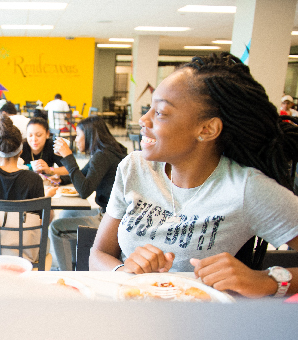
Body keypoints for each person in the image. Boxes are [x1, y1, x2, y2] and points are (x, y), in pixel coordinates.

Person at [90, 52, 298, 299]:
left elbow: (264, 281)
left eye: (160, 112)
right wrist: (125, 271)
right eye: (149, 108)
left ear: (207, 129)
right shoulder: (134, 167)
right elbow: (98, 254)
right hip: (130, 314)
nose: (143, 120)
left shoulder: (245, 188)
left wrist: (266, 281)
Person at [0, 114, 58, 267]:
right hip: (25, 258)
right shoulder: (33, 179)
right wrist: (47, 199)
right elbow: (41, 221)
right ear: (21, 151)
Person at [50, 116, 127, 271]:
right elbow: (82, 175)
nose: (76, 140)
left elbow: (84, 190)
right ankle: (74, 263)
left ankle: (67, 272)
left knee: (56, 228)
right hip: (115, 215)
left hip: (110, 219)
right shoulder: (108, 151)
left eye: (78, 135)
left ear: (90, 135)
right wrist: (59, 179)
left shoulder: (103, 156)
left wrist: (68, 157)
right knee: (66, 214)